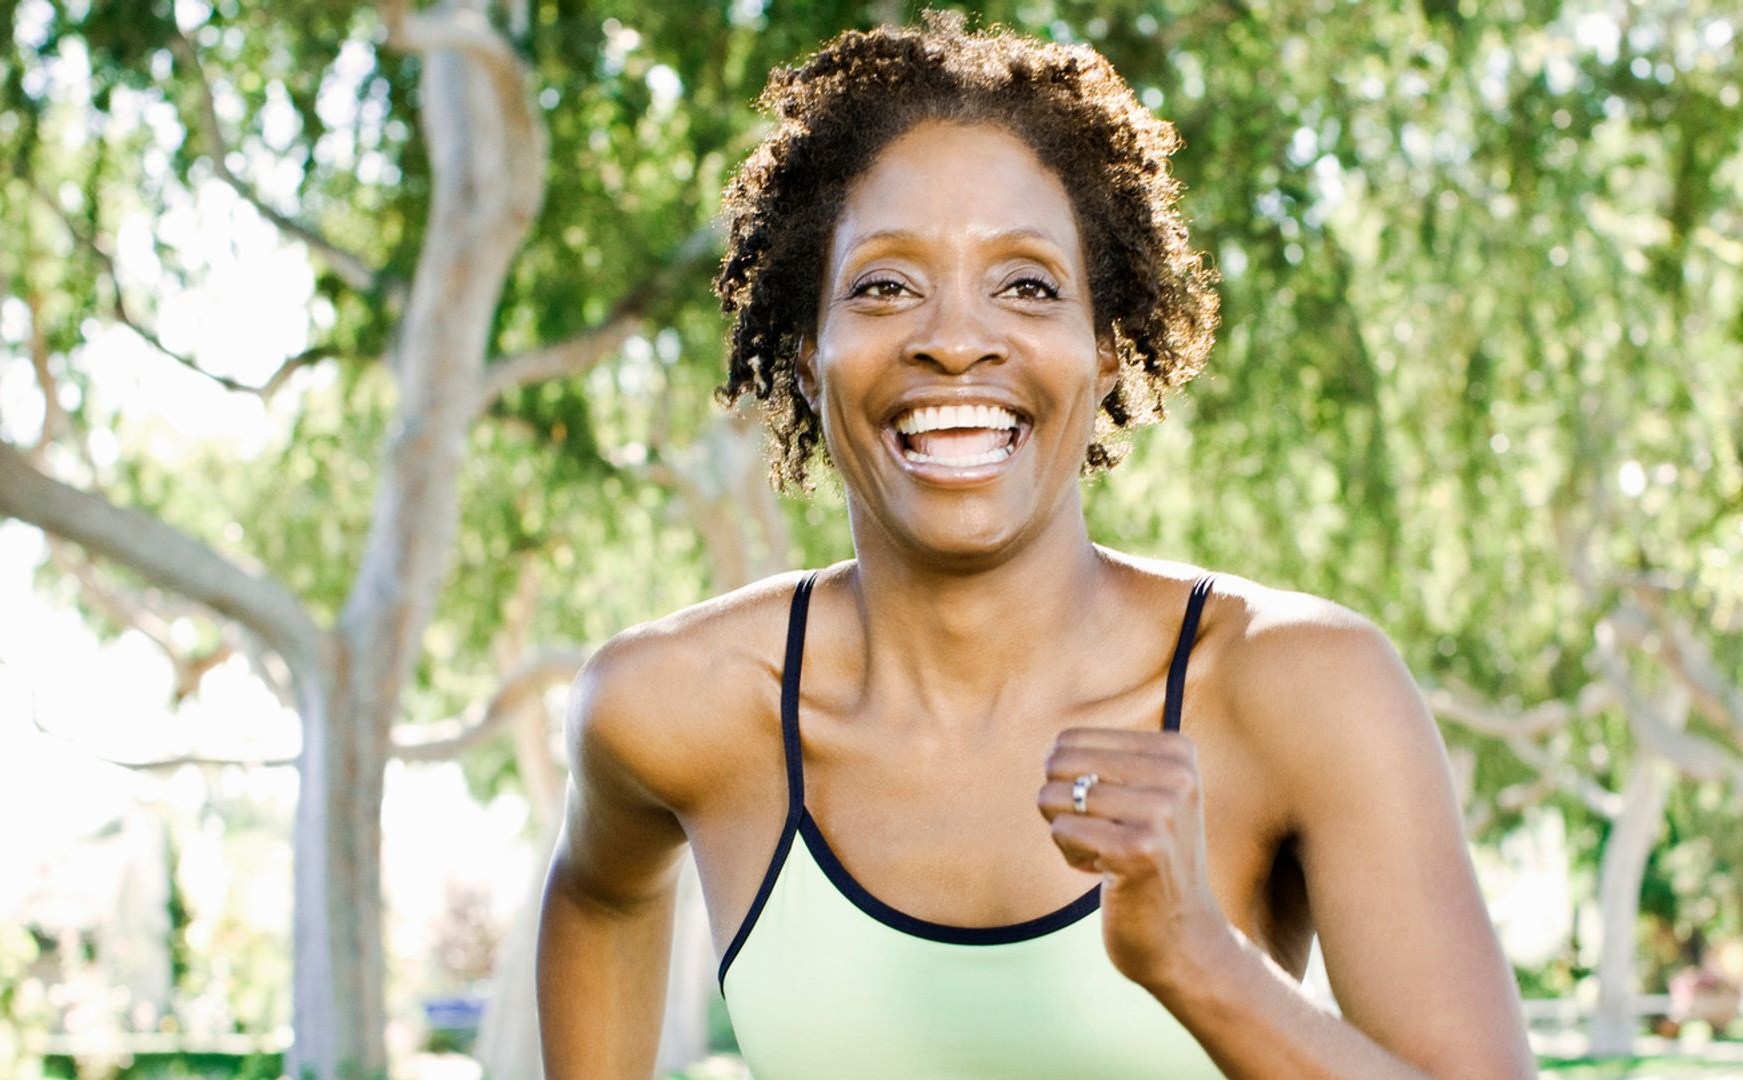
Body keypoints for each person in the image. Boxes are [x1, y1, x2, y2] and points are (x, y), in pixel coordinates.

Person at [537, 14, 1535, 1080]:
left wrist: (1198, 959)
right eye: (883, 286)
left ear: (1104, 351)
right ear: (803, 358)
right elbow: (600, 895)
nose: (957, 338)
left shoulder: (1299, 690)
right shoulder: (673, 709)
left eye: (1027, 285)